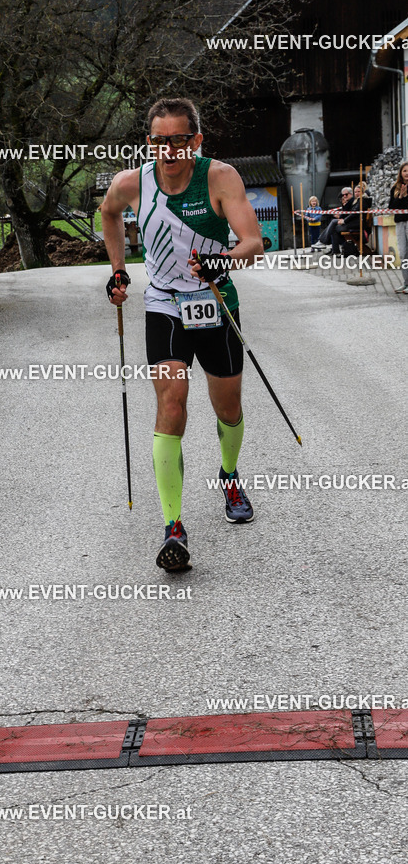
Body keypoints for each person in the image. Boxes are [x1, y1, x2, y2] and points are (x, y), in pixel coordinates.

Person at [101, 96, 263, 572]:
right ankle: (173, 526)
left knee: (227, 407)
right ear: (149, 142)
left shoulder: (220, 177)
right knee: (171, 401)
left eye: (179, 140)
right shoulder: (130, 184)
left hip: (215, 303)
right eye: (159, 141)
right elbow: (108, 214)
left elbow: (253, 241)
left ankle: (229, 476)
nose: (169, 150)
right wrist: (118, 271)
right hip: (165, 305)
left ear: (196, 140)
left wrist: (223, 259)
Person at [388, 161, 408, 294]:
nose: (407, 173)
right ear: (401, 173)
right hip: (400, 223)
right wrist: (401, 195)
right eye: (405, 171)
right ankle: (406, 282)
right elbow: (392, 207)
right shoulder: (395, 188)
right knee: (403, 253)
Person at [316, 187, 353, 251]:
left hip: (350, 224)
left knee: (333, 224)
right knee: (333, 226)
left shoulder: (351, 202)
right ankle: (335, 250)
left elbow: (351, 215)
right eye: (343, 195)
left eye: (346, 195)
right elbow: (345, 214)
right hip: (348, 223)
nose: (344, 196)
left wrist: (343, 220)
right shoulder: (349, 202)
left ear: (351, 194)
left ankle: (323, 241)